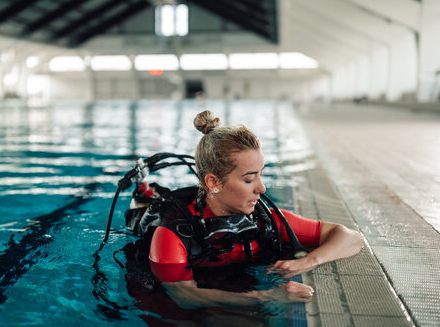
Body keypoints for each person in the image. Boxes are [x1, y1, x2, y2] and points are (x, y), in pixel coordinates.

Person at [146, 110, 364, 309]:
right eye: (249, 179)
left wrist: (307, 262)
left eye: (261, 173)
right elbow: (184, 295)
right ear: (214, 183)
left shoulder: (265, 220)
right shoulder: (171, 235)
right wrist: (265, 296)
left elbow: (352, 238)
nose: (262, 187)